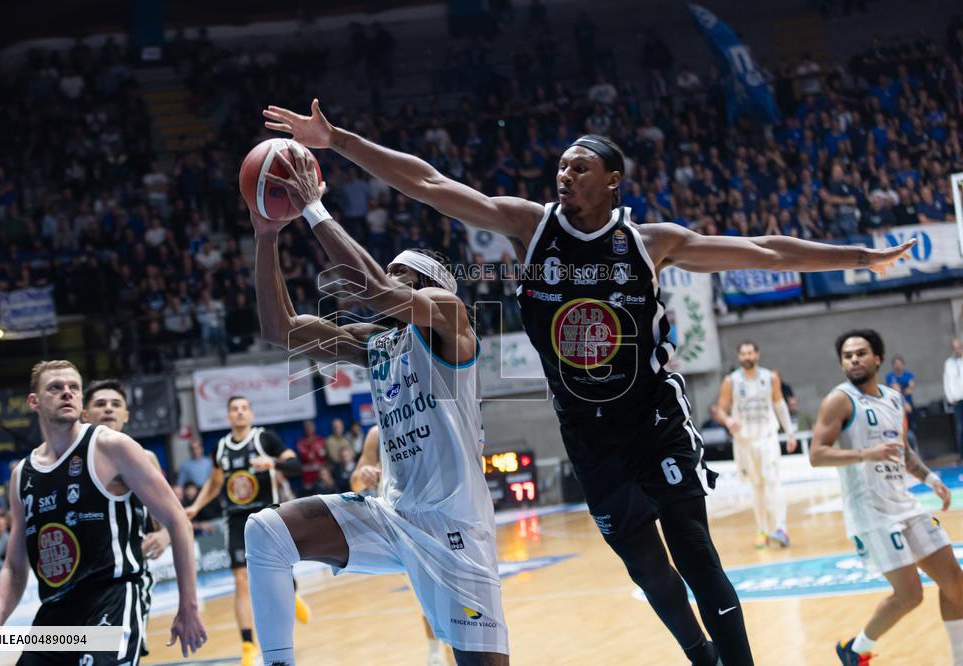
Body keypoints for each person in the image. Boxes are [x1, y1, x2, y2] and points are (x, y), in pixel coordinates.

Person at [260, 100, 913, 665]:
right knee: (650, 573)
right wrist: (338, 140)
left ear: (613, 181)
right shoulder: (529, 227)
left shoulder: (649, 242)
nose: (564, 174)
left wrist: (861, 256)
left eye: (580, 167)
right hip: (590, 439)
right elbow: (429, 183)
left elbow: (767, 251)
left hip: (655, 422)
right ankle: (701, 654)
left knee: (697, 559)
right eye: (562, 165)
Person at [243, 152, 508, 666]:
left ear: (428, 287)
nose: (386, 276)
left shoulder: (451, 321)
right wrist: (266, 235)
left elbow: (376, 291)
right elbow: (282, 330)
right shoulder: (376, 344)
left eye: (400, 274)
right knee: (268, 531)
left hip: (455, 530)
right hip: (393, 517)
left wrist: (315, 209)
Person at [0, 360, 205, 666]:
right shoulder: (22, 474)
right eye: (56, 388)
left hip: (111, 598)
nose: (67, 393)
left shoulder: (111, 447)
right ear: (34, 401)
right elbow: (14, 566)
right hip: (55, 611)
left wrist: (188, 606)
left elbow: (177, 520)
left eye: (74, 387)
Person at [809, 330, 963, 665]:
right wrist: (866, 453)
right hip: (871, 511)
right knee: (910, 595)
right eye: (847, 356)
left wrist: (930, 478)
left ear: (877, 358)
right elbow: (816, 454)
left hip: (905, 503)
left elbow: (901, 449)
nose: (854, 360)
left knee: (955, 582)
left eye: (861, 353)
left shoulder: (893, 398)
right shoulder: (839, 400)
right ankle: (856, 649)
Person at [184, 396, 311, 666]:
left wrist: (273, 464)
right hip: (236, 521)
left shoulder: (265, 439)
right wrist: (195, 506)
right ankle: (247, 645)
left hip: (267, 516)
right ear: (228, 416)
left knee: (280, 572)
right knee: (241, 579)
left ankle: (293, 591)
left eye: (244, 408)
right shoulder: (220, 448)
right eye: (234, 409)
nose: (239, 413)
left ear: (251, 414)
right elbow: (214, 483)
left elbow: (297, 466)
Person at [82, 378, 171, 657]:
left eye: (115, 404)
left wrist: (164, 534)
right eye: (100, 404)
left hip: (125, 582)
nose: (108, 409)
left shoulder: (145, 458)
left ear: (126, 415)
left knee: (111, 656)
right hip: (78, 583)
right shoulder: (67, 462)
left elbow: (171, 520)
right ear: (85, 413)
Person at [351, 426, 451, 666]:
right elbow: (354, 482)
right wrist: (364, 473)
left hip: (438, 519)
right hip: (400, 527)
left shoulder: (432, 421)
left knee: (448, 597)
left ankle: (448, 650)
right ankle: (436, 654)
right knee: (429, 596)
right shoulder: (377, 434)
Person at [712, 341, 796, 549]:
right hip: (744, 440)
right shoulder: (730, 381)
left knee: (773, 480)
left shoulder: (770, 378)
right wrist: (728, 421)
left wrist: (790, 433)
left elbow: (779, 404)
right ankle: (761, 531)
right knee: (756, 486)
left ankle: (781, 529)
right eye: (743, 354)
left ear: (757, 354)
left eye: (750, 352)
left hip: (767, 436)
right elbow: (720, 410)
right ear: (739, 357)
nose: (747, 356)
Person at [944, 339, 963, 460]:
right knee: (960, 429)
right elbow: (947, 381)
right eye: (954, 347)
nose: (957, 349)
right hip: (957, 401)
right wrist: (950, 397)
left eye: (959, 347)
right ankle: (962, 455)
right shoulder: (949, 363)